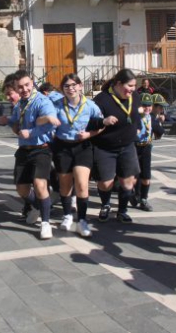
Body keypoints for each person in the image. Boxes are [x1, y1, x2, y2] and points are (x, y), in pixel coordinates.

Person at [49, 73, 106, 238]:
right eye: (66, 86)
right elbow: (49, 123)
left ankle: (82, 220)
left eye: (74, 85)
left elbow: (102, 125)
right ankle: (67, 215)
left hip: (83, 147)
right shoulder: (56, 105)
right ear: (62, 89)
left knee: (82, 184)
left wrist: (89, 134)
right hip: (62, 147)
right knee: (65, 184)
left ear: (80, 86)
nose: (70, 88)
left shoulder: (90, 105)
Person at [9, 70, 57, 239]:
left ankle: (46, 223)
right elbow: (16, 122)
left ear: (33, 82)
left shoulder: (42, 101)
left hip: (41, 149)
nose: (24, 89)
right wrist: (9, 123)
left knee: (39, 184)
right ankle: (39, 205)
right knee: (21, 189)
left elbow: (51, 122)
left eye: (27, 85)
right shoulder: (19, 104)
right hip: (24, 150)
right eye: (20, 87)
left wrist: (31, 132)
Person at [91, 69, 142, 223]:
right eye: (130, 86)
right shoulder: (101, 99)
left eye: (134, 86)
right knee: (105, 183)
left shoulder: (135, 96)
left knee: (128, 182)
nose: (133, 89)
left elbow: (135, 114)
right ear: (118, 84)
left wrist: (138, 126)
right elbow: (90, 121)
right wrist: (103, 121)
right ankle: (105, 205)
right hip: (105, 147)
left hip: (127, 146)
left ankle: (122, 211)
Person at [130, 93, 165, 212]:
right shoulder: (134, 117)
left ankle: (143, 199)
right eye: (144, 105)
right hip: (134, 148)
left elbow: (160, 131)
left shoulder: (152, 118)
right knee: (133, 176)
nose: (147, 108)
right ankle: (133, 194)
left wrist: (159, 123)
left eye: (149, 105)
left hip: (146, 148)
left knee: (146, 176)